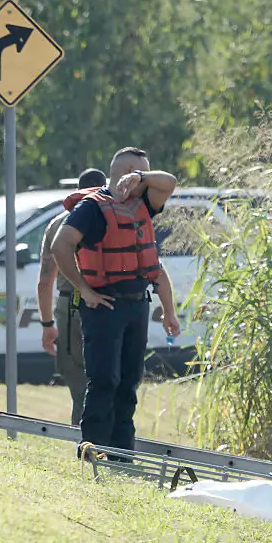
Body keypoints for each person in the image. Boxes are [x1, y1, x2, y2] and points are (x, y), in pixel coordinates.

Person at [51, 147, 181, 452]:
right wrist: (83, 288)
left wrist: (142, 176)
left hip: (137, 305)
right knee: (104, 379)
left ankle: (123, 453)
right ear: (125, 174)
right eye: (142, 174)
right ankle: (93, 448)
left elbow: (169, 182)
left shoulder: (143, 205)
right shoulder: (91, 208)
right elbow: (61, 246)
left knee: (128, 382)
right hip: (104, 306)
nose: (149, 184)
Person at [37, 167, 106, 425]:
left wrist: (47, 325)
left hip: (71, 306)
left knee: (80, 387)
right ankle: (115, 445)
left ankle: (83, 439)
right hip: (109, 302)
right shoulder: (115, 216)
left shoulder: (58, 223)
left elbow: (46, 280)